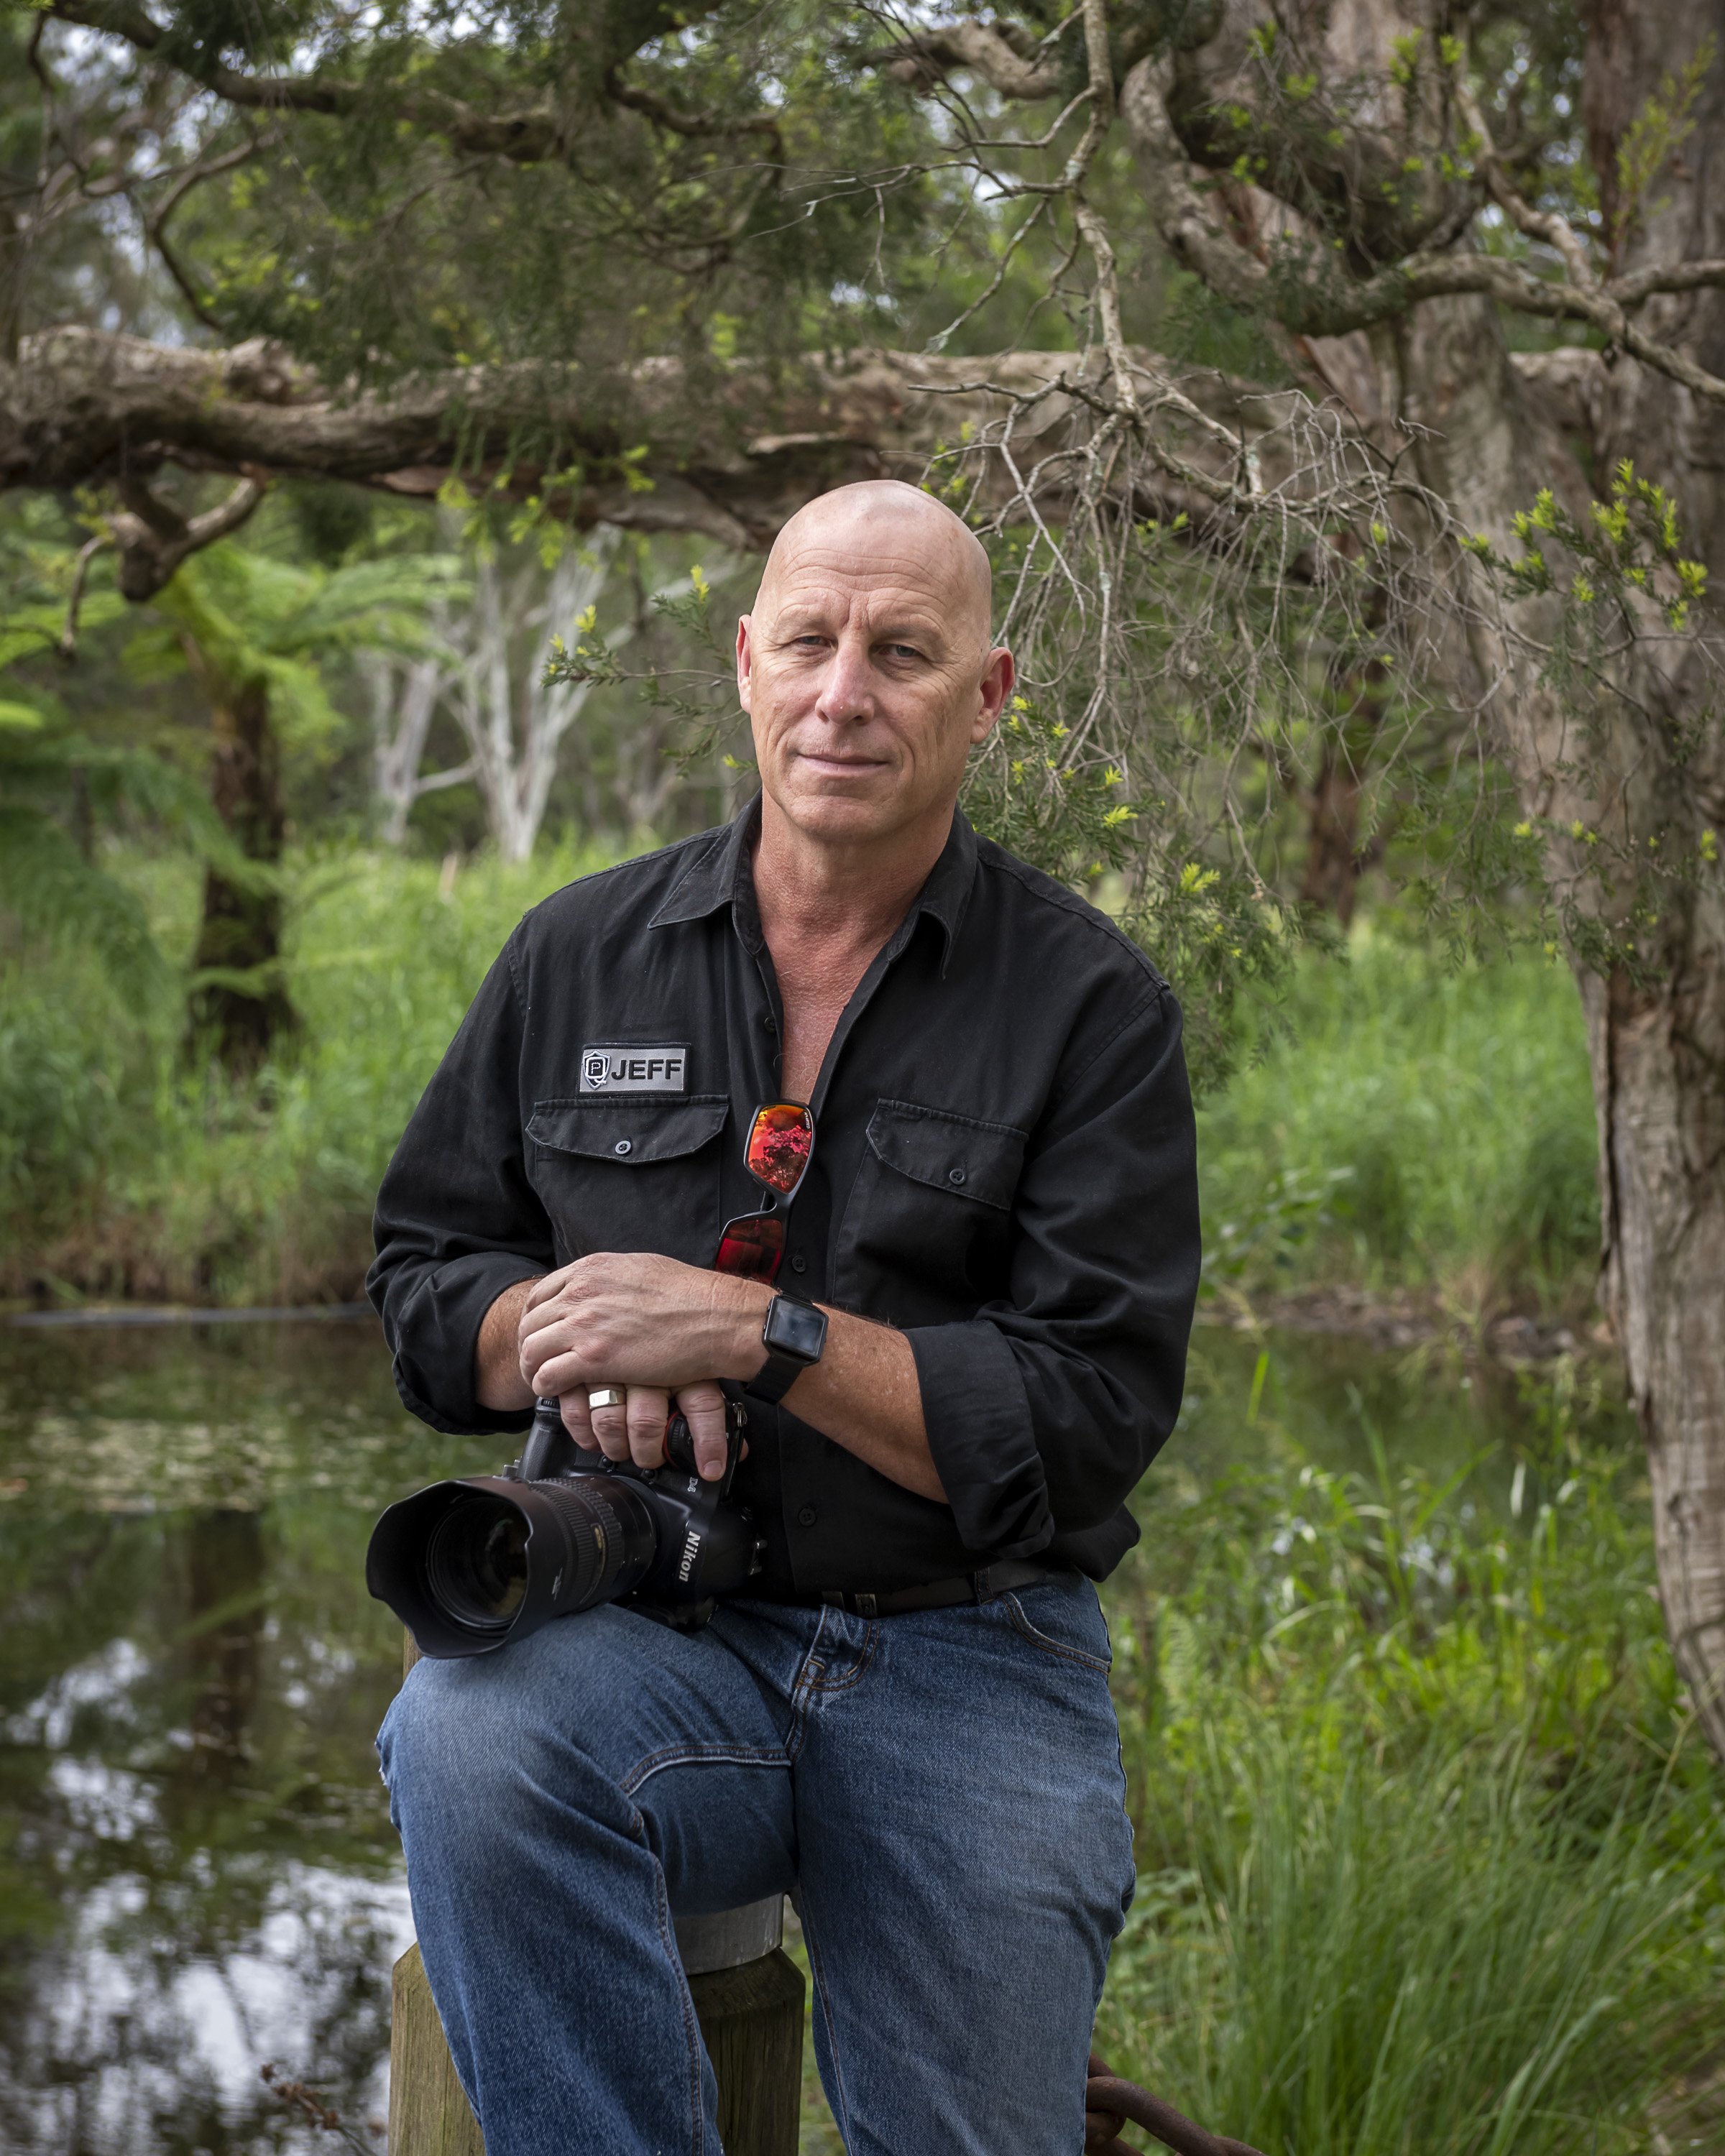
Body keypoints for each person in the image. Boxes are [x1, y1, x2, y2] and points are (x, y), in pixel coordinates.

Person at [370, 479, 1200, 2156]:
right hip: (655, 1634)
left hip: (975, 1653)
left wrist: (763, 1339)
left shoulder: (1090, 1007)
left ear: (987, 695)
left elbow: (1092, 1414)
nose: (845, 695)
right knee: (467, 1733)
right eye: (810, 642)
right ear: (747, 663)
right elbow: (419, 1281)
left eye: (903, 653)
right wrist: (566, 1330)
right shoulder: (575, 954)